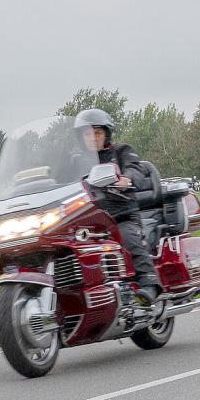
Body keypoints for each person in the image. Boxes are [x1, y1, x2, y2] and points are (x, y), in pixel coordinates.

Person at [75, 108, 163, 304]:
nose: (92, 137)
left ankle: (150, 284)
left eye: (97, 132)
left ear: (106, 134)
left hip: (121, 216)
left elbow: (136, 168)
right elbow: (60, 179)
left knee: (127, 237)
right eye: (87, 133)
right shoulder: (76, 161)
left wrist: (126, 179)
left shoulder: (121, 151)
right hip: (88, 220)